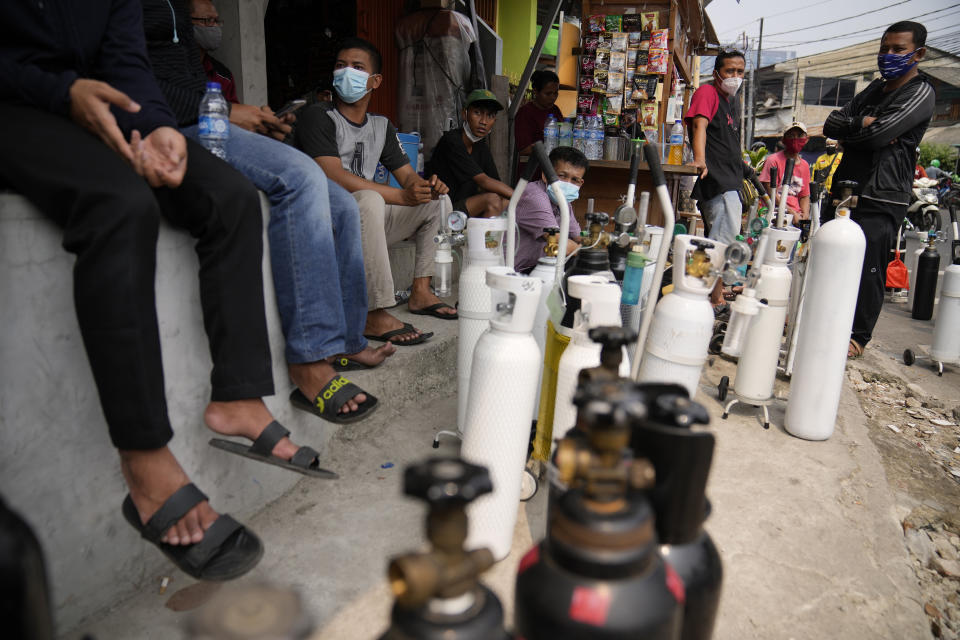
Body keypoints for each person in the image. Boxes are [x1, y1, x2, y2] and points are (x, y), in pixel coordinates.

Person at [0, 0, 303, 580]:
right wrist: (63, 92)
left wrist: (160, 124)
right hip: (17, 106)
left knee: (230, 197)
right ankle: (144, 463)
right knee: (119, 205)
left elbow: (126, 59)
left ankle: (237, 395)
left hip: (100, 107)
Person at [143, 0, 385, 423]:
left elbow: (186, 77)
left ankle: (347, 340)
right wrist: (223, 111)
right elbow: (132, 80)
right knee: (303, 178)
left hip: (204, 116)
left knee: (342, 205)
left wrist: (242, 115)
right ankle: (309, 360)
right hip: (169, 125)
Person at [294, 37, 457, 345]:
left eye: (357, 67)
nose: (346, 73)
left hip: (366, 222)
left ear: (375, 80)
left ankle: (421, 291)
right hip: (326, 223)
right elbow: (333, 175)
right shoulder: (318, 116)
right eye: (341, 66)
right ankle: (373, 312)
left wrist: (424, 188)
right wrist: (400, 196)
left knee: (438, 202)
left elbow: (408, 176)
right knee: (369, 198)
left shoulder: (381, 127)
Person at [823, 20, 935, 359]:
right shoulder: (875, 89)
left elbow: (877, 137)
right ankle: (826, 323)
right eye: (884, 48)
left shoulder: (920, 93)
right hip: (845, 188)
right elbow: (832, 124)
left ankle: (857, 337)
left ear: (919, 53)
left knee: (868, 267)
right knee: (830, 259)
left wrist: (860, 130)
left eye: (898, 49)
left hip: (882, 196)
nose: (888, 55)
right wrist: (862, 124)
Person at [685, 49, 750, 245]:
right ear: (716, 74)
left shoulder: (730, 102)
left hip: (730, 185)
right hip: (720, 186)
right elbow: (699, 124)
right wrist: (700, 159)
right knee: (720, 251)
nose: (735, 77)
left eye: (740, 72)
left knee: (719, 249)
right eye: (730, 71)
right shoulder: (707, 92)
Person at [427, 89, 513, 218]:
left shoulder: (481, 148)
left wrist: (517, 198)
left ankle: (482, 236)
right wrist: (522, 197)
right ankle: (481, 238)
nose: (483, 121)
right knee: (493, 200)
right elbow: (484, 181)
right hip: (440, 210)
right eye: (477, 113)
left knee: (506, 202)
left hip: (463, 208)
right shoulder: (451, 141)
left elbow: (495, 184)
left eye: (490, 116)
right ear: (464, 114)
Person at [513, 147, 586, 273]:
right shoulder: (535, 196)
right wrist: (590, 253)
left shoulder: (563, 203)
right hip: (516, 271)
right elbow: (561, 242)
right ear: (545, 176)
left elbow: (579, 237)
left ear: (581, 183)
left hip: (537, 267)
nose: (568, 183)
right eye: (562, 176)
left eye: (574, 180)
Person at [514, 69, 565, 175]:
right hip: (532, 172)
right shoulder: (525, 113)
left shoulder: (555, 110)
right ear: (536, 91)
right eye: (548, 93)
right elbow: (523, 149)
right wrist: (547, 146)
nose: (553, 97)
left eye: (555, 93)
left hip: (552, 171)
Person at [760, 122, 811, 220]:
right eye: (791, 135)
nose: (795, 139)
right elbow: (769, 191)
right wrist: (790, 211)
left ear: (806, 140)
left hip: (796, 215)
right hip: (773, 213)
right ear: (783, 140)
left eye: (799, 135)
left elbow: (804, 196)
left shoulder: (804, 165)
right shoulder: (773, 160)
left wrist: (805, 214)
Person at [189, 0, 238, 103]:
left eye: (216, 21)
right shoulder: (172, 70)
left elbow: (235, 113)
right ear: (187, 22)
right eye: (208, 20)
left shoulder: (223, 76)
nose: (215, 26)